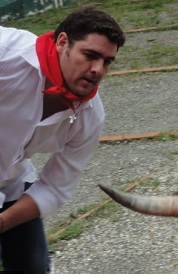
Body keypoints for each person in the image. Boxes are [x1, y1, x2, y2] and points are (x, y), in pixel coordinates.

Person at [0, 6, 125, 273]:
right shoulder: (6, 52)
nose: (97, 70)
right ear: (62, 43)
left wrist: (3, 222)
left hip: (12, 183)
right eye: (90, 55)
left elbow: (55, 187)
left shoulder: (90, 116)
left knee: (32, 267)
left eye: (107, 61)